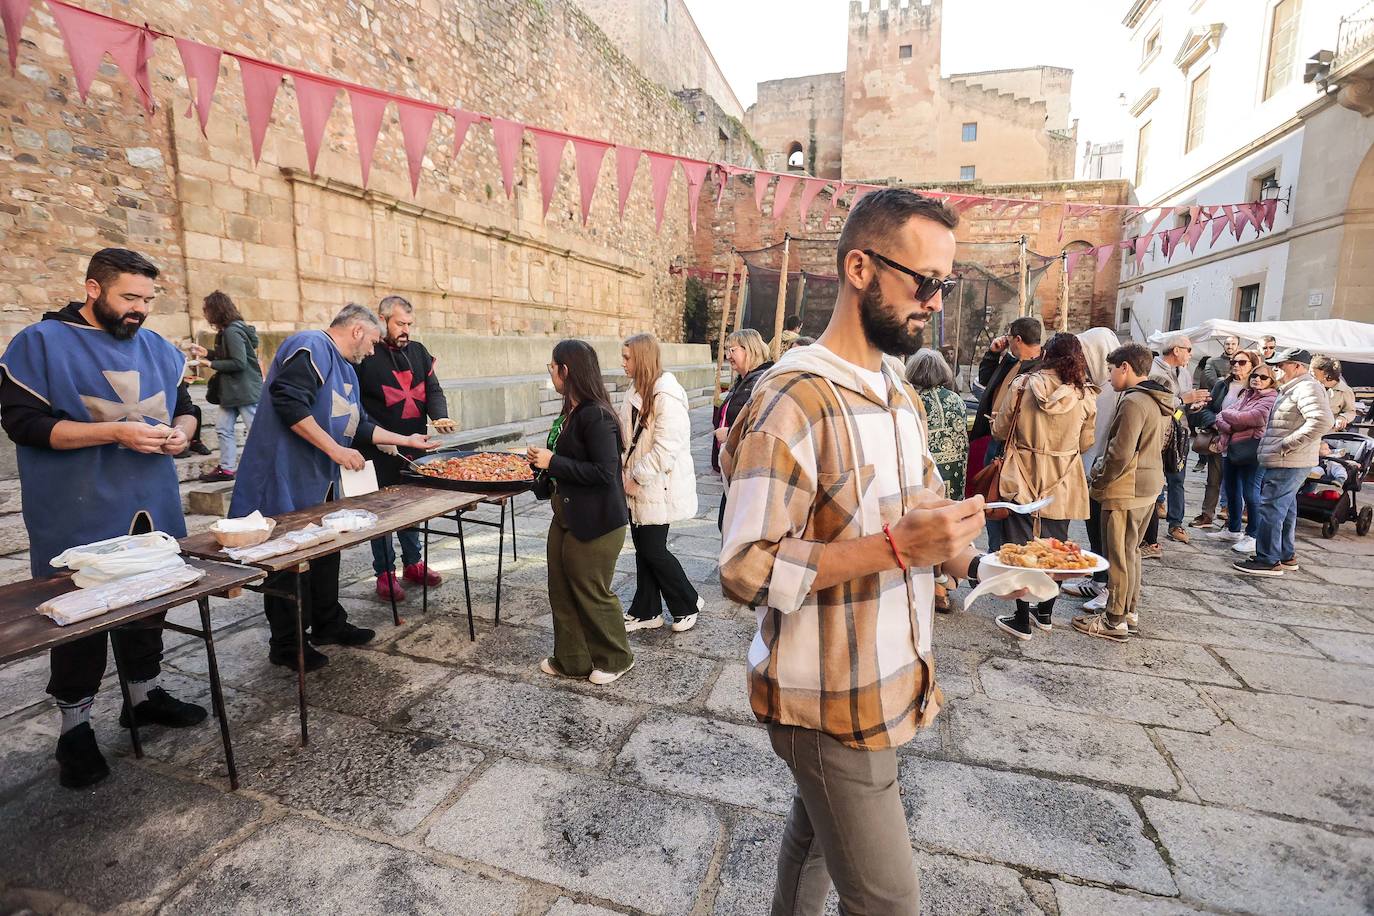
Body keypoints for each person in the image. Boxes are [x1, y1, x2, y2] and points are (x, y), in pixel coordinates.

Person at [721, 189, 1018, 913]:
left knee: (817, 839)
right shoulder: (793, 399)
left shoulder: (898, 391)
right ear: (860, 267)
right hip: (826, 700)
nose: (935, 303)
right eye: (925, 283)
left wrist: (984, 565)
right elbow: (744, 569)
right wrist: (893, 547)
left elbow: (920, 522)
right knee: (889, 901)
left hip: (887, 681)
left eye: (944, 285)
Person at [0, 248, 208, 788]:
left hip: (151, 502)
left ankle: (142, 697)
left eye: (147, 299)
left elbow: (187, 405)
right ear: (94, 289)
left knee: (150, 603)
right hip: (78, 504)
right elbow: (23, 423)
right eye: (129, 298)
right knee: (80, 616)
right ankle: (75, 729)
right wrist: (114, 432)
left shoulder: (160, 349)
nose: (139, 309)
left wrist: (184, 431)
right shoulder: (40, 344)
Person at [228, 304, 438, 670]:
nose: (374, 350)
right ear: (357, 330)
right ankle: (287, 642)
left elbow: (360, 425)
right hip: (283, 476)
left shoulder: (349, 372)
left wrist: (407, 441)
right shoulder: (311, 345)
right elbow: (288, 401)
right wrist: (337, 451)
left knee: (327, 551)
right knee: (287, 560)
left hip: (320, 480)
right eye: (372, 341)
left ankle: (328, 622)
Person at [528, 340, 635, 684]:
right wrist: (540, 468)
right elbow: (563, 463)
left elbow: (605, 473)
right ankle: (571, 659)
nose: (552, 373)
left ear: (566, 370)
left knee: (590, 590)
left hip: (598, 521)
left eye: (553, 367)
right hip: (568, 514)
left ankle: (617, 657)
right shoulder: (570, 411)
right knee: (560, 587)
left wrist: (553, 461)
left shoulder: (597, 415)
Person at [991, 332, 1096, 640]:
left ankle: (1021, 619)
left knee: (1021, 547)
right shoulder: (1085, 395)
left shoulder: (1023, 385)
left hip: (1022, 472)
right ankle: (1046, 613)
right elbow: (1086, 441)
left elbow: (1000, 430)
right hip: (1062, 477)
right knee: (1057, 549)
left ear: (1047, 353)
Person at [356, 295, 457, 601]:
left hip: (415, 446)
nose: (405, 330)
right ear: (383, 319)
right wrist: (378, 436)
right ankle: (384, 573)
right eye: (400, 323)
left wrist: (438, 415)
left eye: (409, 324)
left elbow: (433, 389)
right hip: (378, 448)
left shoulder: (418, 351)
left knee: (413, 506)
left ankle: (413, 563)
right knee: (382, 511)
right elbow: (356, 405)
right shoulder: (366, 354)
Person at [1073, 343, 1171, 642]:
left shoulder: (1133, 401)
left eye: (1112, 370)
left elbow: (1120, 452)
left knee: (1118, 555)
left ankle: (1114, 620)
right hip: (1148, 485)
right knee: (1131, 553)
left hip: (1126, 488)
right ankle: (1127, 611)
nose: (1110, 377)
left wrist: (1099, 481)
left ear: (1125, 367)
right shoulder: (1157, 398)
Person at [618, 333, 702, 633]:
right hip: (638, 484)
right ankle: (647, 609)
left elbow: (667, 446)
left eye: (627, 357)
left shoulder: (666, 394)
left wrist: (638, 477)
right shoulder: (636, 390)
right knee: (643, 547)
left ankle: (687, 602)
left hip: (657, 485)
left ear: (641, 358)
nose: (623, 362)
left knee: (654, 549)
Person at [1235, 348, 1333, 577]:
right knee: (1286, 508)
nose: (1277, 369)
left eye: (1282, 364)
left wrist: (1287, 443)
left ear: (1298, 366)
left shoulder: (1306, 386)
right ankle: (1285, 555)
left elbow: (1323, 420)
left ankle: (1268, 559)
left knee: (1271, 507)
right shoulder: (1297, 387)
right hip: (1288, 459)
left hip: (1289, 460)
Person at [905, 347, 970, 613]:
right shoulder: (955, 399)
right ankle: (944, 579)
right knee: (948, 525)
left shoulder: (911, 400)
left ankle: (936, 585)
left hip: (927, 477)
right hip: (954, 474)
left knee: (927, 528)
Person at [1061, 327, 1120, 610]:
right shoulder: (1098, 387)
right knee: (1093, 526)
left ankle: (1109, 588)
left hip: (1105, 470)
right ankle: (1098, 580)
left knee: (1108, 531)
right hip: (1091, 467)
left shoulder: (1113, 390)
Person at [972, 316, 1044, 550]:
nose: (1008, 342)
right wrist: (993, 355)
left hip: (1014, 446)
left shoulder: (1041, 370)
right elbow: (985, 380)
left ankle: (1003, 552)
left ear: (1018, 339)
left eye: (1010, 338)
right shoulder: (1012, 361)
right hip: (995, 438)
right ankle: (995, 550)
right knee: (991, 501)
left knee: (1005, 505)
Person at [190, 291, 262, 482]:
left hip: (244, 391)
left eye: (206, 310)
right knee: (223, 428)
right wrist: (208, 353)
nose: (205, 315)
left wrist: (209, 364)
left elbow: (239, 363)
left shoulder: (232, 331)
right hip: (231, 392)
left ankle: (265, 467)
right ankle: (227, 469)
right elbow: (229, 356)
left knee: (257, 432)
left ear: (216, 310)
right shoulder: (228, 331)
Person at [1212, 354, 1276, 555]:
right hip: (1234, 447)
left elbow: (1256, 418)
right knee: (1231, 489)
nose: (1257, 379)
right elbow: (1220, 415)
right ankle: (1233, 529)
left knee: (1251, 492)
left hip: (1254, 450)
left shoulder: (1271, 397)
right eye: (1255, 376)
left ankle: (1253, 535)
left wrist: (1231, 419)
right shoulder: (1246, 394)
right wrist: (1233, 422)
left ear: (1271, 381)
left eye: (1263, 377)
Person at [713, 329, 774, 530]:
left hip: (746, 470)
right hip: (734, 467)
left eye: (732, 350)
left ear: (749, 350)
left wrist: (729, 434)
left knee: (732, 526)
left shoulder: (759, 381)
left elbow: (761, 426)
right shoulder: (744, 380)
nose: (728, 356)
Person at [1189, 347, 1256, 528]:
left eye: (1242, 362)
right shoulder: (1221, 385)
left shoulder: (1255, 388)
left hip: (1242, 442)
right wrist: (1215, 424)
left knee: (1237, 484)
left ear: (1252, 366)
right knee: (1213, 480)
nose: (1236, 366)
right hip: (1219, 438)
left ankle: (1232, 520)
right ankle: (1206, 515)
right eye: (1233, 362)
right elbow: (1207, 410)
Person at [1149, 335, 1206, 545]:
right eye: (1189, 350)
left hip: (1178, 432)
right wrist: (1184, 400)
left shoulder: (1184, 373)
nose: (1190, 355)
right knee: (1154, 479)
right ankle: (1149, 526)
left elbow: (1180, 407)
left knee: (1177, 479)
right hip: (1157, 431)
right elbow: (1155, 401)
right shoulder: (1152, 370)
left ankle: (1176, 524)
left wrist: (1193, 406)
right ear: (1176, 350)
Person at [1312, 355, 1358, 432]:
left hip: (1327, 431)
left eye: (1313, 372)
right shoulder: (1311, 385)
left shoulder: (1345, 391)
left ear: (1325, 374)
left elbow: (1351, 411)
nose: (1311, 375)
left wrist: (1343, 417)